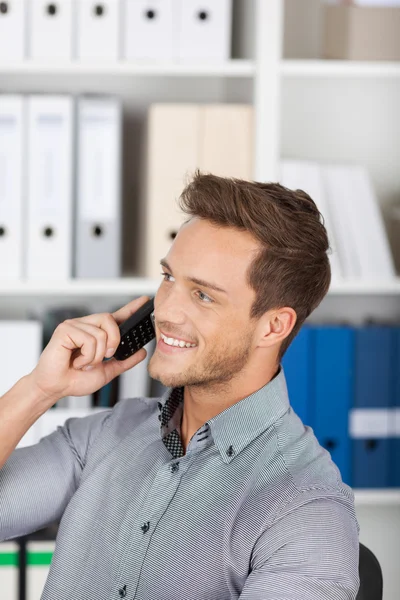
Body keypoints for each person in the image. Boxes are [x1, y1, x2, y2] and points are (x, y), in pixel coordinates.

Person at [0, 171, 360, 600]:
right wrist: (39, 389)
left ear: (273, 325)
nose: (165, 311)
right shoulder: (103, 436)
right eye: (169, 278)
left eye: (203, 295)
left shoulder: (307, 509)